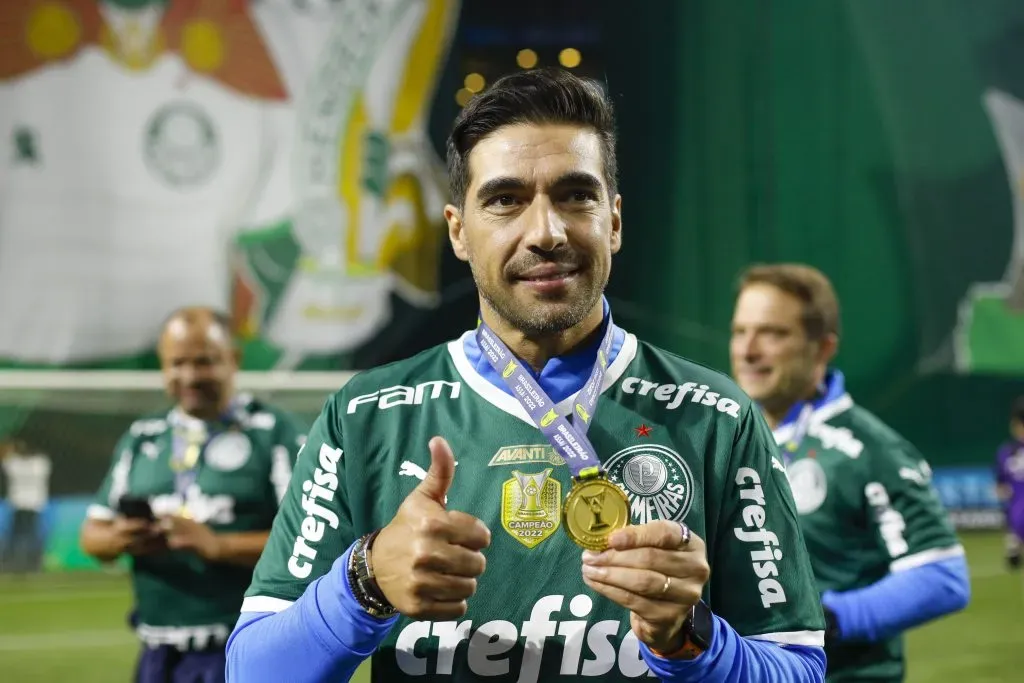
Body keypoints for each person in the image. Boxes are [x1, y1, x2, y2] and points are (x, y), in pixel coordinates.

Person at [226, 68, 827, 683]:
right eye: (506, 199)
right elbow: (252, 671)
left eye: (575, 195)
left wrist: (690, 641)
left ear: (613, 222)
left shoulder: (715, 418)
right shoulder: (367, 417)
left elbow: (797, 669)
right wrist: (364, 582)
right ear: (459, 231)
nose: (546, 232)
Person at [729, 263, 971, 682]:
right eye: (739, 331)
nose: (748, 350)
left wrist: (824, 621)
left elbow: (942, 577)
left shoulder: (869, 450)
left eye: (772, 333)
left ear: (822, 348)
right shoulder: (727, 436)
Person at [79, 307, 306, 683]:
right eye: (177, 363)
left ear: (233, 359)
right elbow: (92, 534)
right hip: (157, 650)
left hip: (245, 646)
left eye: (204, 362)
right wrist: (121, 538)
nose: (189, 376)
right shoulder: (143, 437)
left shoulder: (276, 435)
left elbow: (306, 543)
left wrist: (217, 545)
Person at [0, 439, 51, 573]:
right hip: (26, 504)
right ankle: (16, 564)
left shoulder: (16, 463)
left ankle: (29, 564)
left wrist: (10, 448)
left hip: (28, 504)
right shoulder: (40, 462)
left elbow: (4, 457)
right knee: (20, 536)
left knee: (25, 536)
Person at [995, 396, 1024, 570]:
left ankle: (1013, 546)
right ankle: (1014, 546)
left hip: (1016, 511)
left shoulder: (1007, 452)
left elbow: (1001, 488)